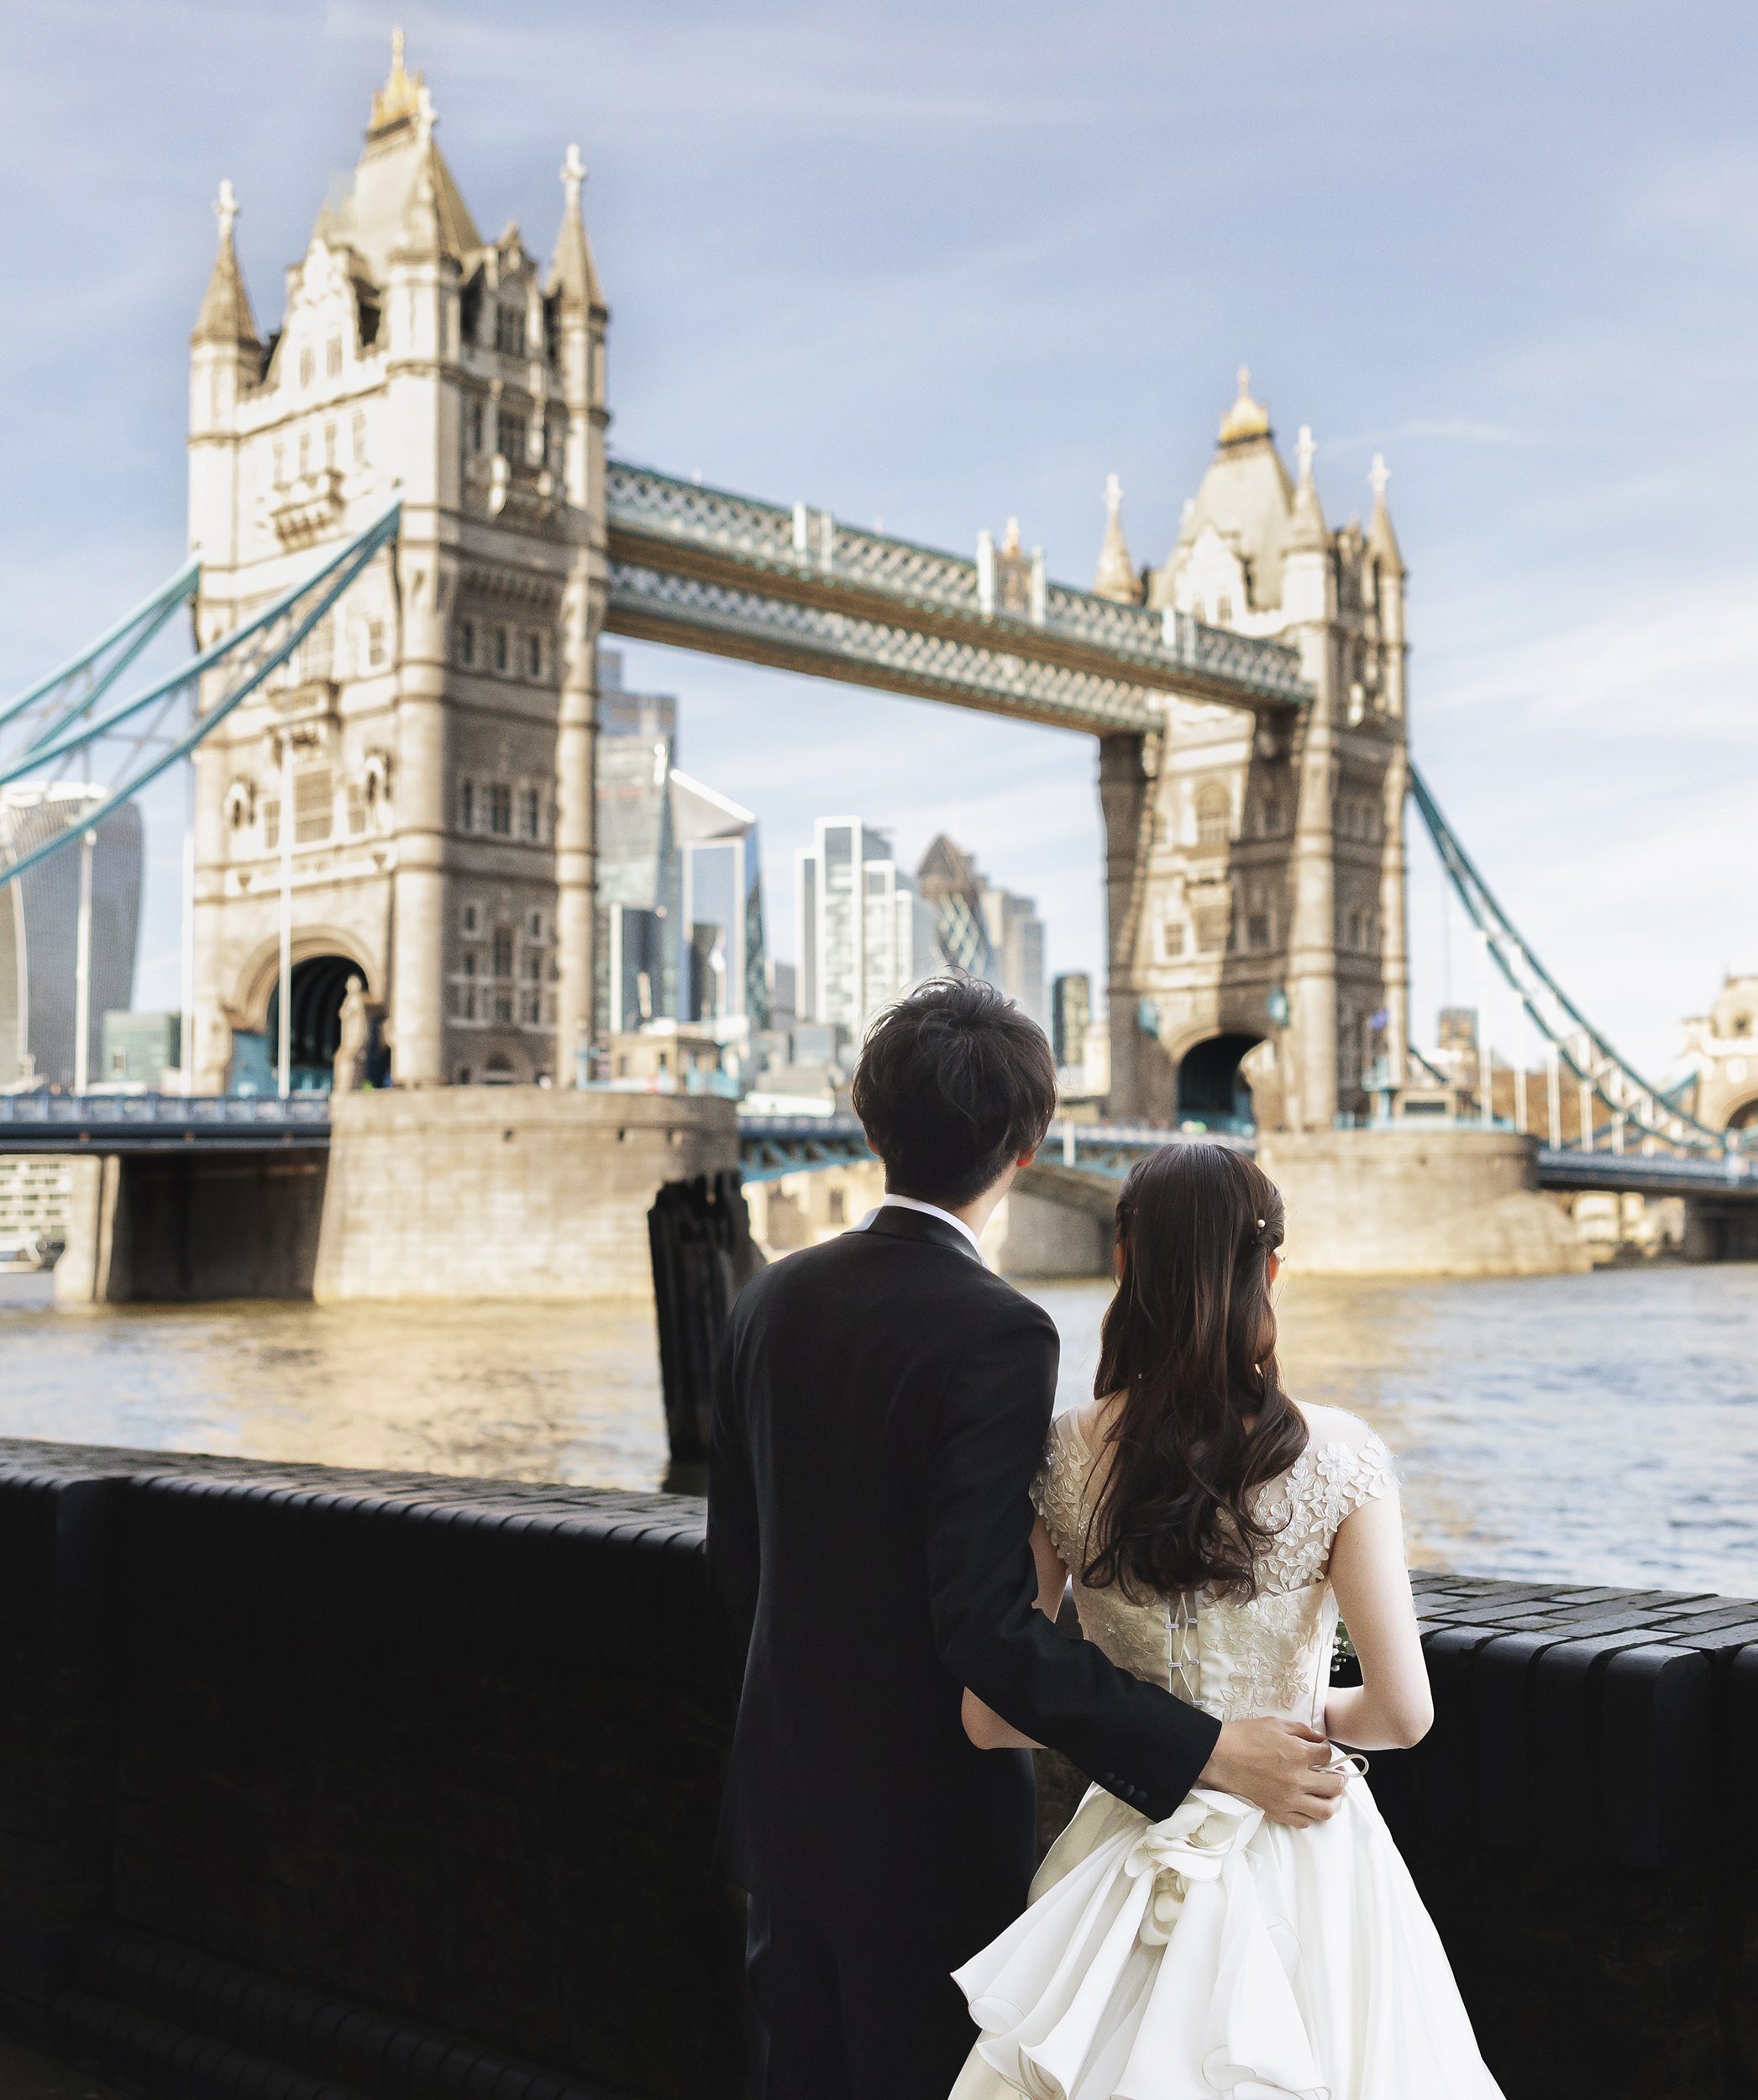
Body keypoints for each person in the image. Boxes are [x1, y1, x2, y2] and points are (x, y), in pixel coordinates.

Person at [707, 980, 1345, 2100]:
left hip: (781, 1812)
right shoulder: (993, 1328)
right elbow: (987, 1629)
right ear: (1027, 1142)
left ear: (866, 1123)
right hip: (923, 1839)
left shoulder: (767, 1299)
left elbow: (738, 1570)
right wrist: (1204, 1747)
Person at [950, 1141, 1504, 2100]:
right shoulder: (1341, 1456)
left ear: (1123, 1264)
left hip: (1124, 1842)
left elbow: (990, 1716)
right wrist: (1295, 1722)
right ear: (1271, 1272)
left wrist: (1169, 1736)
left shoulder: (1060, 1455)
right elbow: (1403, 1715)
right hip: (1305, 1848)